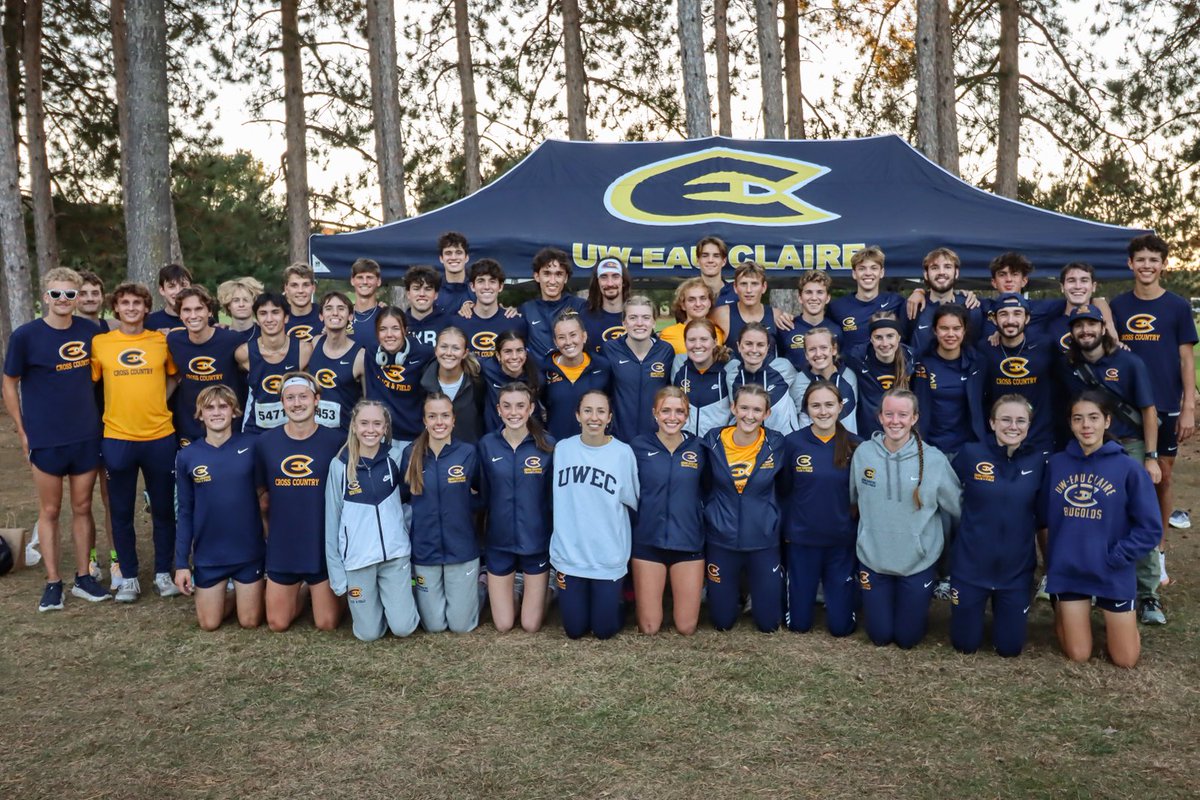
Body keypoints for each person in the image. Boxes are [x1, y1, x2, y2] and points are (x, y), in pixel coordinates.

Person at [2, 267, 108, 610]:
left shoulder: (91, 332)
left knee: (82, 507)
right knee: (49, 510)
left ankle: (83, 577)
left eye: (70, 294)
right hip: (46, 437)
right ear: (45, 297)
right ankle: (52, 582)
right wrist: (21, 428)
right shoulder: (26, 336)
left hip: (85, 434)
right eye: (57, 294)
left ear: (78, 297)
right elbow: (9, 382)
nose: (64, 300)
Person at [1061, 303, 1164, 624]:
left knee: (1137, 517)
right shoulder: (1069, 366)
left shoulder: (1128, 361)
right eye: (1079, 326)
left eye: (1091, 324)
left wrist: (1151, 456)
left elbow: (1148, 411)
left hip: (1128, 447)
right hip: (1089, 449)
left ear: (1103, 327)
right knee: (1092, 517)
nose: (1085, 331)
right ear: (1072, 332)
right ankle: (1093, 582)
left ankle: (1147, 594)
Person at [1109, 234, 1197, 600]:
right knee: (1121, 477)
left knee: (1161, 475)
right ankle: (1120, 547)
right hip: (1124, 407)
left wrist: (1189, 404)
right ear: (1130, 264)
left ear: (1163, 265)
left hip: (1164, 403)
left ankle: (1157, 553)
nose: (1146, 265)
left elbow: (1185, 359)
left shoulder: (1176, 307)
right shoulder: (1117, 305)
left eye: (1153, 260)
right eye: (1140, 259)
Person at [1045, 391, 1161, 668]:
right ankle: (1066, 611)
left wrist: (1117, 556)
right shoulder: (1056, 465)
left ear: (1107, 421)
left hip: (1111, 568)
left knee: (1125, 660)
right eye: (1078, 419)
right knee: (1079, 654)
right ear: (1071, 424)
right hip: (1070, 568)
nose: (1086, 425)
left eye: (1094, 418)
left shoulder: (1128, 468)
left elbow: (1150, 528)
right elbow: (1043, 516)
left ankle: (1118, 621)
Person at [90, 282, 180, 602]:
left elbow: (175, 375)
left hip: (159, 436)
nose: (131, 308)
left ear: (146, 308)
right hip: (117, 437)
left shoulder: (160, 341)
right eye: (125, 303)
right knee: (120, 510)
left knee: (163, 509)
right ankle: (128, 577)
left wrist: (159, 400)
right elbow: (90, 385)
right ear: (116, 308)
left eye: (137, 303)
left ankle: (162, 573)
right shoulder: (101, 343)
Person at [850, 388, 961, 648]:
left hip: (917, 561)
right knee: (879, 636)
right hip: (873, 558)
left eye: (903, 414)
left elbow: (957, 507)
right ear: (879, 417)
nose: (895, 421)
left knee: (907, 639)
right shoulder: (863, 454)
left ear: (914, 418)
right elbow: (853, 500)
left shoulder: (933, 459)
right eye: (889, 414)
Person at [948, 395, 1045, 657]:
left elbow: (1044, 516)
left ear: (1028, 425)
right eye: (1005, 419)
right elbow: (946, 494)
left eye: (1020, 421)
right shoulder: (971, 453)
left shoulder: (1038, 462)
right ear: (992, 423)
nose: (1013, 426)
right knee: (964, 646)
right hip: (970, 567)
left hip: (1014, 571)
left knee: (1009, 649)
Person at [255, 371, 346, 632]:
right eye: (290, 398)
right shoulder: (265, 442)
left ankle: (314, 592)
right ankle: (301, 590)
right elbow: (262, 495)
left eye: (303, 397)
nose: (297, 403)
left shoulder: (335, 441)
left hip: (320, 546)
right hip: (284, 547)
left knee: (327, 623)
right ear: (282, 402)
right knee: (277, 623)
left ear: (316, 399)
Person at [324, 400, 419, 641]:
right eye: (364, 423)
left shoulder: (395, 458)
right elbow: (332, 521)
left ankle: (397, 605)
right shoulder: (340, 466)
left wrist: (405, 542)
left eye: (377, 423)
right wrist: (338, 576)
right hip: (358, 561)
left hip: (395, 557)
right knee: (368, 634)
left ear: (386, 428)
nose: (371, 429)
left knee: (403, 628)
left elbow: (408, 505)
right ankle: (375, 609)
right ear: (354, 426)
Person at [173, 385, 265, 630]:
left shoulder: (253, 446)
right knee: (209, 624)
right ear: (200, 414)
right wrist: (182, 563)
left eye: (223, 406)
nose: (216, 412)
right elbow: (185, 511)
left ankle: (258, 591)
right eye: (209, 407)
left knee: (249, 621)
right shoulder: (187, 456)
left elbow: (264, 494)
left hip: (248, 553)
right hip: (209, 555)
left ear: (234, 412)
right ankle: (223, 594)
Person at [550, 389, 639, 639]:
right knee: (574, 631)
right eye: (588, 410)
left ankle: (617, 603)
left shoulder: (623, 453)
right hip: (570, 555)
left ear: (610, 417)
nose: (594, 417)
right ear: (577, 415)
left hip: (607, 557)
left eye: (601, 411)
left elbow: (632, 501)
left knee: (603, 631)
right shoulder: (562, 450)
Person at [702, 384, 786, 633]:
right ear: (733, 408)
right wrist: (712, 513)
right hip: (722, 539)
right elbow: (704, 483)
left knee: (768, 624)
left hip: (762, 540)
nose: (750, 415)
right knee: (722, 622)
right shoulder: (713, 441)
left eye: (757, 410)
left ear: (767, 414)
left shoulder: (776, 444)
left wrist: (771, 517)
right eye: (744, 408)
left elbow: (785, 486)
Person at [781, 381, 860, 636]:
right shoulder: (792, 443)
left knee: (841, 628)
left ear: (840, 407)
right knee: (799, 625)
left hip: (841, 541)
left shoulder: (856, 445)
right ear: (806, 409)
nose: (823, 411)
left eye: (829, 405)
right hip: (803, 540)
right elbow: (784, 489)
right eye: (816, 405)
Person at [400, 392, 482, 633]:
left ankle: (480, 589)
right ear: (424, 420)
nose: (439, 422)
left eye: (445, 416)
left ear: (454, 420)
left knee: (461, 626)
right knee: (434, 626)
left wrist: (460, 512)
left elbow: (481, 494)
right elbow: (404, 497)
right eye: (432, 416)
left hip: (461, 550)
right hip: (426, 551)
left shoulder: (468, 453)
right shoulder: (410, 454)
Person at [478, 382, 555, 633]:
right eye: (507, 406)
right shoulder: (487, 445)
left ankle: (549, 586)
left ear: (531, 408)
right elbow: (483, 494)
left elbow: (554, 497)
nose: (514, 412)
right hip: (499, 541)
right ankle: (507, 585)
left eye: (520, 406)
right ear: (498, 409)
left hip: (535, 540)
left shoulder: (547, 445)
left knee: (531, 625)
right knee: (503, 625)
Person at [631, 387, 707, 635]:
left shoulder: (700, 448)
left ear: (687, 416)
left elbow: (710, 489)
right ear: (655, 413)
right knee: (650, 627)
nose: (672, 417)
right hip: (648, 542)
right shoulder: (638, 447)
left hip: (687, 541)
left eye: (679, 412)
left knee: (686, 627)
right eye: (666, 411)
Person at [979, 293, 1060, 455]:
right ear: (994, 320)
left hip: (1039, 440)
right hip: (1000, 439)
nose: (1010, 320)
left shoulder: (1046, 346)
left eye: (1017, 314)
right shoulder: (984, 349)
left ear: (1027, 318)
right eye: (1003, 314)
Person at [168, 286, 244, 445]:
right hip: (189, 425)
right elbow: (174, 374)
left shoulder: (232, 340)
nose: (193, 315)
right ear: (180, 314)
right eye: (187, 310)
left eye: (199, 309)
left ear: (209, 312)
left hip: (227, 425)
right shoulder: (174, 340)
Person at [913, 304, 986, 458]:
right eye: (944, 328)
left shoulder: (978, 363)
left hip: (966, 450)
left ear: (964, 330)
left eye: (956, 328)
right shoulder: (920, 362)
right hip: (928, 448)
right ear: (935, 330)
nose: (950, 334)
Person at [235, 292, 312, 435]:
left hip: (293, 430)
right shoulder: (244, 353)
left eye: (275, 312)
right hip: (255, 430)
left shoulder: (304, 350)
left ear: (286, 317)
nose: (269, 319)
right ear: (256, 319)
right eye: (263, 313)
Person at [604, 296, 675, 442]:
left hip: (656, 439)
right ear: (624, 322)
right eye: (633, 317)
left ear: (654, 322)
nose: (640, 323)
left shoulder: (665, 351)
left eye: (646, 317)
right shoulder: (610, 349)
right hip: (618, 438)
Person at [363, 306, 435, 448]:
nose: (389, 334)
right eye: (383, 329)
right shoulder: (372, 352)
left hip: (414, 437)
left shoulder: (424, 353)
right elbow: (370, 392)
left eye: (395, 328)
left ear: (405, 330)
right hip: (380, 435)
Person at [541, 311, 612, 440]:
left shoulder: (602, 367)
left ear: (584, 336)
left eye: (573, 335)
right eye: (561, 337)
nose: (568, 342)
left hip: (594, 447)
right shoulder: (544, 369)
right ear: (555, 342)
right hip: (557, 447)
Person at [846, 313, 913, 438]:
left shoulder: (911, 358)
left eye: (890, 336)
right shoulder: (857, 357)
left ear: (898, 337)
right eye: (878, 337)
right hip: (867, 435)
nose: (885, 343)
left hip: (902, 434)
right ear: (871, 339)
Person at [726, 322, 800, 435]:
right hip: (750, 447)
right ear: (739, 346)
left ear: (767, 347)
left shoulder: (784, 368)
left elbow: (800, 402)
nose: (754, 350)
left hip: (784, 443)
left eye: (760, 345)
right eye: (748, 344)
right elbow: (735, 414)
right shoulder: (732, 376)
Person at [829, 246, 907, 352]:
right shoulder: (837, 307)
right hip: (852, 368)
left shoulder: (897, 301)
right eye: (862, 268)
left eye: (874, 268)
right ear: (854, 273)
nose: (868, 273)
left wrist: (918, 292)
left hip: (886, 367)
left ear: (882, 272)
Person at [518, 247, 587, 366]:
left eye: (559, 274)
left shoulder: (580, 306)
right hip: (538, 380)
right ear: (537, 276)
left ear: (565, 278)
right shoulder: (526, 310)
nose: (552, 281)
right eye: (547, 273)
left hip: (571, 378)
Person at [307, 291, 365, 431]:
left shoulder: (361, 356)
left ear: (350, 316)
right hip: (314, 433)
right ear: (321, 316)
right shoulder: (313, 345)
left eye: (341, 308)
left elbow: (369, 402)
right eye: (328, 308)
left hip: (345, 436)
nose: (335, 313)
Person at [454, 258, 527, 364]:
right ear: (472, 286)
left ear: (501, 286)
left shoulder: (516, 323)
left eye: (492, 281)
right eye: (481, 281)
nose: (487, 287)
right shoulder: (457, 323)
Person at [420, 326, 485, 443]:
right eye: (444, 347)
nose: (449, 353)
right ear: (436, 350)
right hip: (433, 454)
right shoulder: (423, 381)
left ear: (465, 353)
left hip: (469, 454)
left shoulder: (477, 381)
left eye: (455, 348)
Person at [671, 318, 733, 437]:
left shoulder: (729, 368)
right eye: (692, 340)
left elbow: (737, 412)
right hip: (685, 447)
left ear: (715, 342)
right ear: (685, 342)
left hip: (718, 447)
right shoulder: (678, 365)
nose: (697, 345)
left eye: (704, 339)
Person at [791, 326, 858, 433]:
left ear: (834, 350)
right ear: (806, 354)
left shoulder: (849, 377)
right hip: (811, 448)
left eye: (823, 348)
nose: (818, 354)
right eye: (812, 349)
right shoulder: (797, 382)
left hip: (846, 446)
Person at [710, 261, 782, 358]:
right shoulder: (721, 314)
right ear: (735, 287)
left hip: (768, 372)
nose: (749, 290)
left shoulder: (777, 316)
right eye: (743, 284)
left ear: (764, 287)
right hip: (733, 372)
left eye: (754, 284)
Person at [778, 271, 843, 370]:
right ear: (800, 297)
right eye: (808, 292)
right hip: (795, 384)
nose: (814, 298)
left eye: (820, 292)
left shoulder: (836, 330)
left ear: (828, 298)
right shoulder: (786, 327)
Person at [481, 329, 541, 434]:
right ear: (498, 355)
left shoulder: (537, 377)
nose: (514, 357)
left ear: (526, 353)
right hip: (493, 440)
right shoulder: (485, 370)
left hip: (528, 439)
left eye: (519, 350)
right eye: (508, 351)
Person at [659, 277, 727, 355]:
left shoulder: (719, 332)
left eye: (703, 298)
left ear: (710, 302)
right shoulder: (669, 333)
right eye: (691, 300)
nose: (698, 304)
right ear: (683, 305)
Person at [581, 257, 629, 352]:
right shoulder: (584, 318)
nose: (610, 283)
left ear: (623, 281)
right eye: (604, 277)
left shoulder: (637, 317)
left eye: (615, 276)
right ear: (597, 282)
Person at [403, 265, 451, 347]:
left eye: (428, 289)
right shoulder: (399, 324)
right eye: (416, 288)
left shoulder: (449, 325)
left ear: (436, 295)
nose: (422, 294)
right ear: (408, 294)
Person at [346, 258, 385, 351]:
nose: (364, 282)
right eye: (360, 277)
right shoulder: (343, 315)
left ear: (378, 281)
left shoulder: (386, 315)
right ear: (352, 280)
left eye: (369, 277)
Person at [434, 231, 476, 315]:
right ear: (441, 258)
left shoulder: (477, 288)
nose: (453, 257)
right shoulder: (433, 289)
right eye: (448, 253)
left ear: (466, 258)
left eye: (458, 252)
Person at [145, 263, 192, 332]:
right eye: (171, 286)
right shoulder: (149, 322)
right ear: (162, 290)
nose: (178, 291)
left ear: (191, 288)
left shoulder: (201, 320)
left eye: (183, 285)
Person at [694, 235, 739, 307]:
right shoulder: (689, 292)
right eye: (705, 256)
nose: (710, 260)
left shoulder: (737, 293)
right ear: (697, 260)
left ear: (724, 261)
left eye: (716, 256)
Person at [216, 276, 264, 342]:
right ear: (228, 305)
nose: (241, 304)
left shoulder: (264, 333)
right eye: (236, 300)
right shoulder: (219, 335)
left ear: (254, 303)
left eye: (246, 300)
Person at [282, 263, 322, 341]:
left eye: (305, 285)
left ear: (313, 288)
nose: (300, 290)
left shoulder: (326, 316)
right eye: (294, 285)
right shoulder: (277, 319)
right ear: (286, 289)